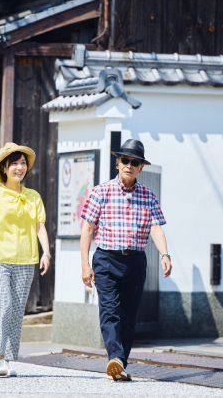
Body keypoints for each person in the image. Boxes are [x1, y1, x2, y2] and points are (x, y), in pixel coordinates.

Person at [80, 139, 172, 381]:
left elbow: (155, 227)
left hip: (135, 261)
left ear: (141, 167)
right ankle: (115, 356)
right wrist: (85, 265)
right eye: (125, 160)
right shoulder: (100, 191)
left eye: (135, 162)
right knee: (110, 310)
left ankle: (120, 362)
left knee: (129, 314)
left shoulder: (148, 195)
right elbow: (88, 229)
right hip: (106, 259)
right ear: (117, 163)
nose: (129, 165)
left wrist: (165, 254)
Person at [0, 142, 52, 378]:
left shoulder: (33, 196)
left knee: (16, 311)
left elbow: (40, 227)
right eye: (14, 163)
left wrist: (45, 252)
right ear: (4, 169)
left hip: (26, 260)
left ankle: (7, 358)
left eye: (22, 163)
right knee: (2, 306)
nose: (19, 167)